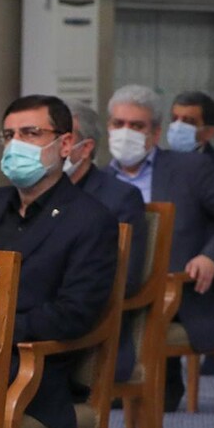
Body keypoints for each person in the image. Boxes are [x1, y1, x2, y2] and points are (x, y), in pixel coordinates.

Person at [0, 95, 119, 428]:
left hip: (33, 364)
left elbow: (75, 313)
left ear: (66, 144)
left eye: (30, 133)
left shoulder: (91, 219)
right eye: (9, 135)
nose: (16, 144)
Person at [103, 85, 214, 402]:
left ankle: (152, 384)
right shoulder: (99, 180)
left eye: (137, 125)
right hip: (114, 286)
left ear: (155, 133)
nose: (125, 133)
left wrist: (211, 257)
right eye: (119, 124)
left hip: (177, 291)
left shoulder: (189, 169)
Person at [63, 99, 148, 295]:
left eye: (64, 138)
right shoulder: (33, 194)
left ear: (86, 148)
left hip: (83, 305)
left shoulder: (121, 198)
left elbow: (126, 280)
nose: (50, 145)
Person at [167, 91, 214, 183]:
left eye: (188, 121)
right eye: (174, 119)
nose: (178, 127)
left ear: (209, 132)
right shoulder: (159, 164)